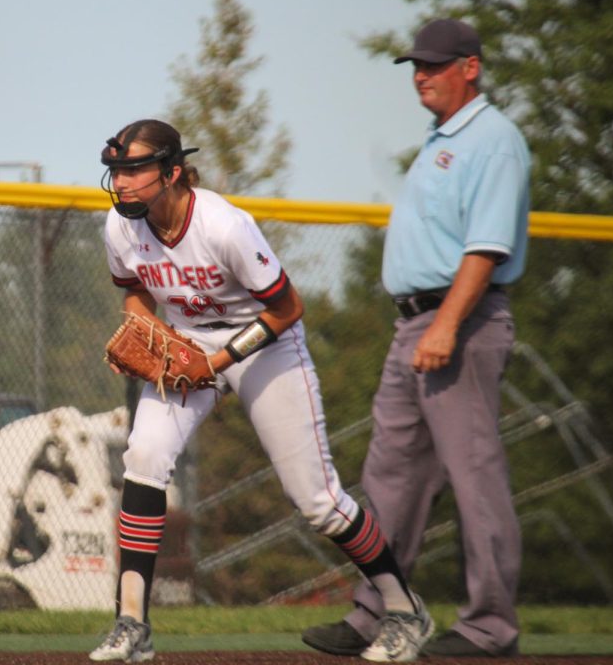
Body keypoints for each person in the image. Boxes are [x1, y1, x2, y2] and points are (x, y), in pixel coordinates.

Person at [88, 119, 433, 663]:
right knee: (145, 455)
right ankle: (132, 624)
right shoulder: (120, 227)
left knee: (317, 502)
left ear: (173, 171)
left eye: (135, 169)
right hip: (188, 342)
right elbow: (134, 294)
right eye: (117, 171)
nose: (123, 182)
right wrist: (153, 336)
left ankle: (404, 608)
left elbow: (287, 307)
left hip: (266, 345)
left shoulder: (224, 226)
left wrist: (219, 362)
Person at [302, 18, 531, 659]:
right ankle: (381, 613)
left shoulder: (494, 140)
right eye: (415, 66)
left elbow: (487, 249)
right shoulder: (440, 139)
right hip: (416, 326)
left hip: (459, 324)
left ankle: (490, 628)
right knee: (389, 479)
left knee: (473, 477)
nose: (421, 75)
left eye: (434, 64)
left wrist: (448, 325)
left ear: (471, 67)